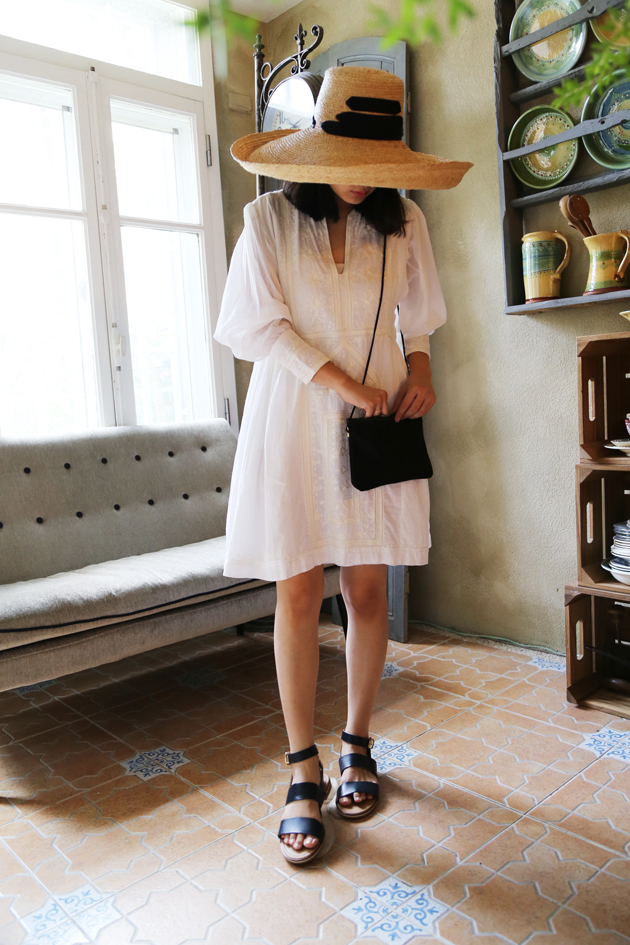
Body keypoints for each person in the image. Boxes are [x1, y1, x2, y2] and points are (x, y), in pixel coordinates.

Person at [215, 66, 471, 864]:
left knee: (365, 588)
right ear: (317, 150)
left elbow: (418, 318)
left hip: (378, 422)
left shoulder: (405, 221)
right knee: (297, 590)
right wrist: (343, 383)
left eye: (378, 162)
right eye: (350, 158)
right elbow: (257, 328)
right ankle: (302, 766)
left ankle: (358, 740)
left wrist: (419, 369)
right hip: (294, 417)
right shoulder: (267, 220)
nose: (364, 176)